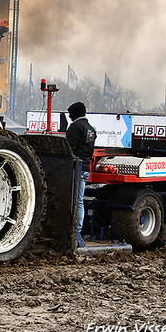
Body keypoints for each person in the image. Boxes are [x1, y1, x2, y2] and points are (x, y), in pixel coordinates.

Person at [66, 102, 97, 238]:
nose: (69, 116)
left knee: (75, 199)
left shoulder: (75, 127)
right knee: (80, 199)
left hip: (76, 168)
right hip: (85, 167)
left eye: (70, 113)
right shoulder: (90, 128)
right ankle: (78, 229)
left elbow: (69, 148)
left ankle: (76, 230)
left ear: (75, 113)